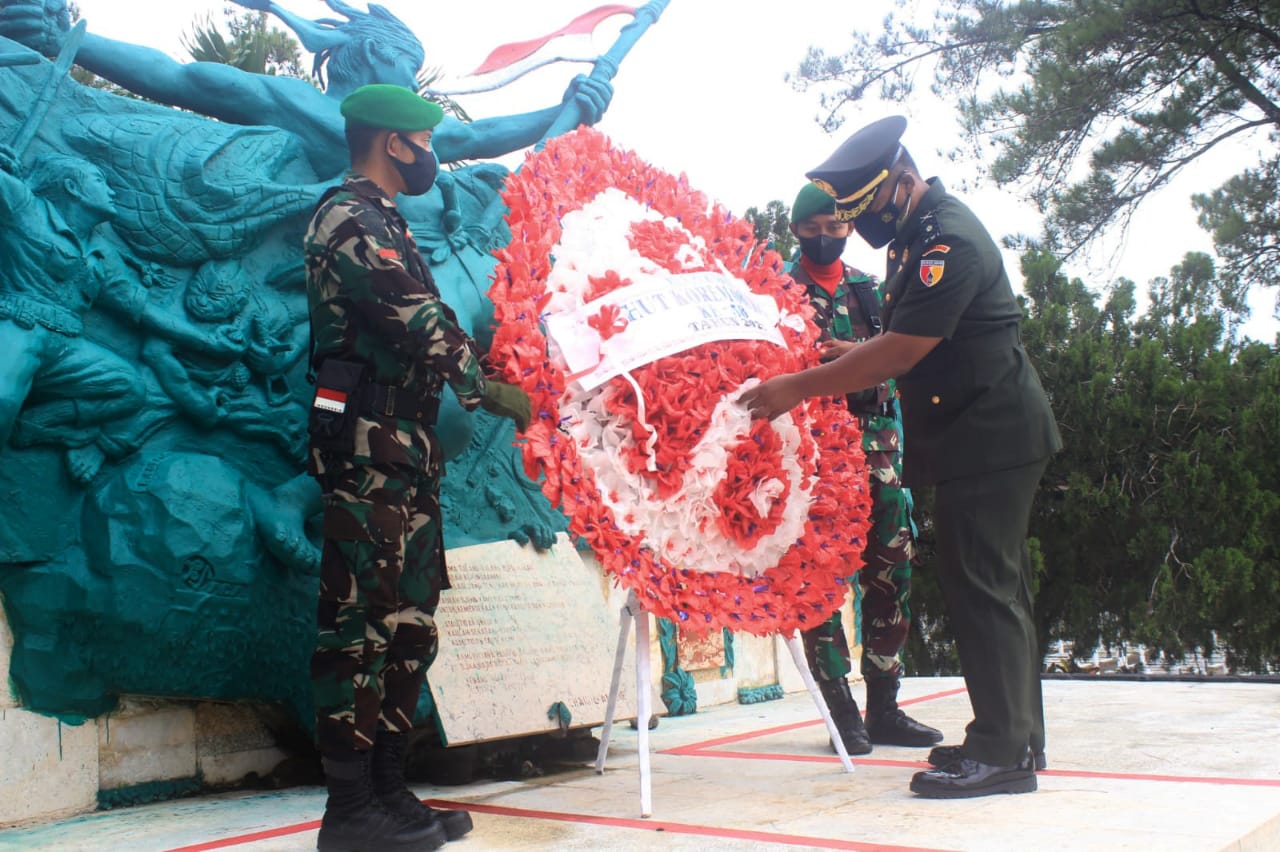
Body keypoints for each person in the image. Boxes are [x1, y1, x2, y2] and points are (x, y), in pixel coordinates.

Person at [744, 116, 1061, 799]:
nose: (858, 232)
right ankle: (1012, 737)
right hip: (978, 437)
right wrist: (837, 360)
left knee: (985, 589)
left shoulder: (947, 236)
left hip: (993, 436)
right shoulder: (917, 235)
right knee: (996, 588)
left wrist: (794, 387)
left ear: (905, 182)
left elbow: (902, 348)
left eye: (867, 213)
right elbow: (897, 332)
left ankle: (1002, 753)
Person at [302, 84, 531, 850]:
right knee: (357, 624)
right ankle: (349, 809)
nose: (432, 153)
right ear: (396, 141)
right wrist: (491, 387)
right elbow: (418, 320)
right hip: (366, 450)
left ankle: (389, 789)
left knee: (408, 622)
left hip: (407, 449)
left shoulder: (390, 220)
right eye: (425, 139)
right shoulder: (348, 217)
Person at [786, 182, 941, 755]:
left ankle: (884, 707)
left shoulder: (870, 289)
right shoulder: (775, 291)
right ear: (795, 228)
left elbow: (902, 358)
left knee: (891, 573)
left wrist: (852, 357)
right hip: (812, 460)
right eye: (811, 228)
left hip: (879, 451)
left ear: (849, 227)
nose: (824, 237)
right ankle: (841, 712)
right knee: (819, 581)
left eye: (834, 226)